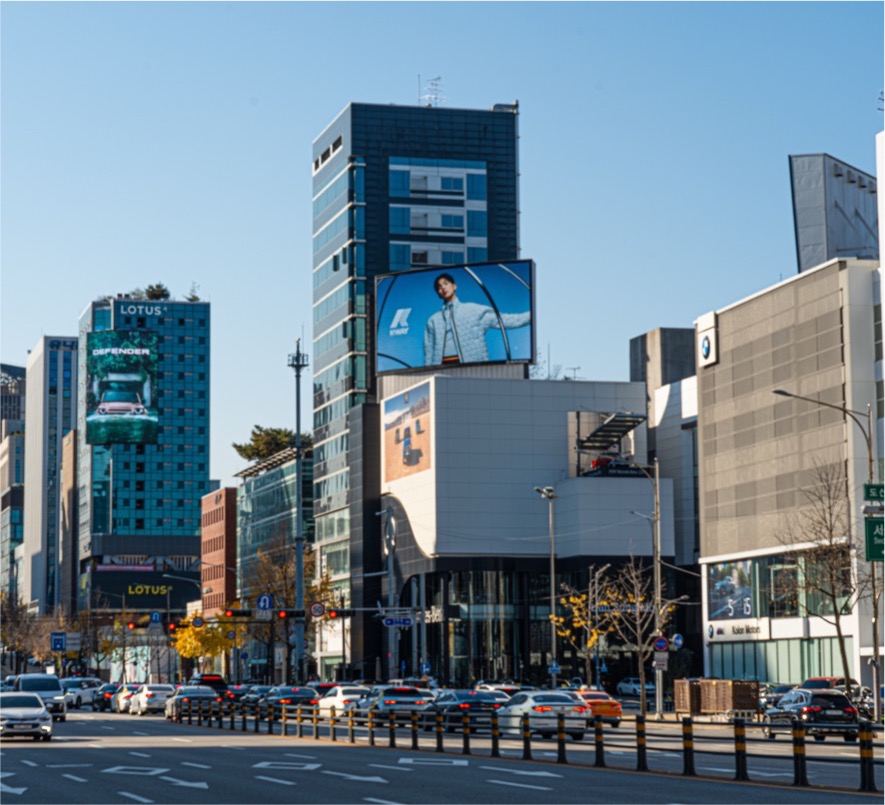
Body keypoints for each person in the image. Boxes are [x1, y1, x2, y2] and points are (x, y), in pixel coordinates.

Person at [423, 273, 531, 366]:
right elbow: (429, 351)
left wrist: (532, 314)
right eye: (439, 287)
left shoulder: (474, 311)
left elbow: (505, 320)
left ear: (454, 286)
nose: (443, 288)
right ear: (438, 293)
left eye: (446, 283)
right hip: (442, 368)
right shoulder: (433, 320)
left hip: (473, 366)